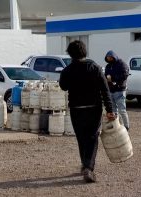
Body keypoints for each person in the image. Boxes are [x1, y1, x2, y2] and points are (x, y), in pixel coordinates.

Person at [59, 40, 115, 183]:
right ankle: (88, 168)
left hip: (76, 110)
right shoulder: (95, 68)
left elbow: (63, 87)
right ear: (85, 52)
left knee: (81, 138)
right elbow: (105, 90)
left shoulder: (68, 70)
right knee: (92, 138)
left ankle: (85, 165)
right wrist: (110, 110)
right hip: (93, 109)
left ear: (70, 54)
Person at [104, 50, 130, 131]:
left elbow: (125, 75)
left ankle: (126, 127)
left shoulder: (121, 64)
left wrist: (114, 79)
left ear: (113, 57)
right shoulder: (108, 66)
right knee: (114, 111)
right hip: (111, 90)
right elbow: (105, 76)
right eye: (107, 58)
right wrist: (107, 80)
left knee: (122, 110)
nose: (109, 59)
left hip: (119, 90)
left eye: (110, 58)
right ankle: (117, 127)